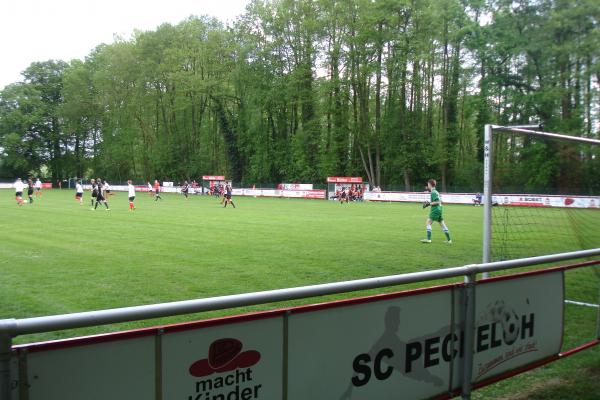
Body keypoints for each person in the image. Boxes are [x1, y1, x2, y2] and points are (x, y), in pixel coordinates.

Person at [421, 179, 451, 244]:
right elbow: (440, 201)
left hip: (435, 210)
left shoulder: (433, 192)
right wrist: (429, 203)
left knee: (428, 223)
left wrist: (429, 204)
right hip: (439, 209)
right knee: (442, 224)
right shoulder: (436, 191)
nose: (427, 185)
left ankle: (428, 239)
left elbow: (437, 201)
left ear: (430, 184)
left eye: (428, 184)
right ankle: (449, 240)